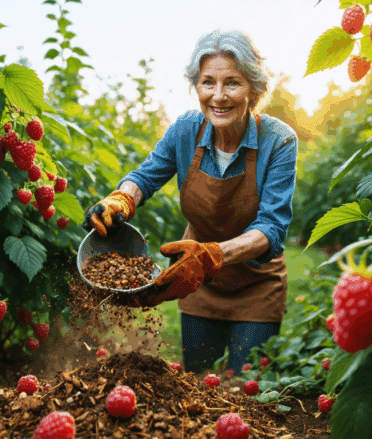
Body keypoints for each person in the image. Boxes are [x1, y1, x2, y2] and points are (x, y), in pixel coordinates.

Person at [82, 29, 297, 375]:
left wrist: (213, 254)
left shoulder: (279, 141)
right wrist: (121, 198)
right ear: (196, 86)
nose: (219, 96)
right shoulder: (186, 130)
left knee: (249, 394)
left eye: (232, 83)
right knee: (199, 385)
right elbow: (145, 176)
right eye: (207, 82)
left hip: (257, 285)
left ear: (254, 88)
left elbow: (272, 227)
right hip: (197, 281)